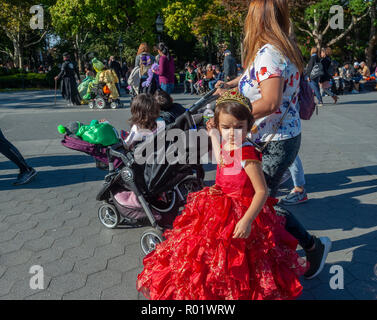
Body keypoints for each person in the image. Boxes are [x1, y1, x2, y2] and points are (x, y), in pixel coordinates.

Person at [137, 90, 307, 300]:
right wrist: (213, 136)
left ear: (249, 125)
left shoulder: (247, 153)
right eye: (226, 127)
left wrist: (246, 221)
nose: (232, 133)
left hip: (241, 213)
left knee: (240, 261)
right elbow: (222, 160)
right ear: (218, 125)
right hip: (218, 205)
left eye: (238, 127)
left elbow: (262, 192)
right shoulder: (229, 143)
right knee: (207, 255)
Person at [215, 0, 331, 280]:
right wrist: (232, 87)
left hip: (273, 139)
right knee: (259, 201)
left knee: (261, 201)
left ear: (258, 19)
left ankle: (311, 246)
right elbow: (253, 75)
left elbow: (269, 101)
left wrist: (230, 116)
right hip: (277, 135)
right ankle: (272, 253)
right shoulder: (281, 47)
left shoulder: (269, 52)